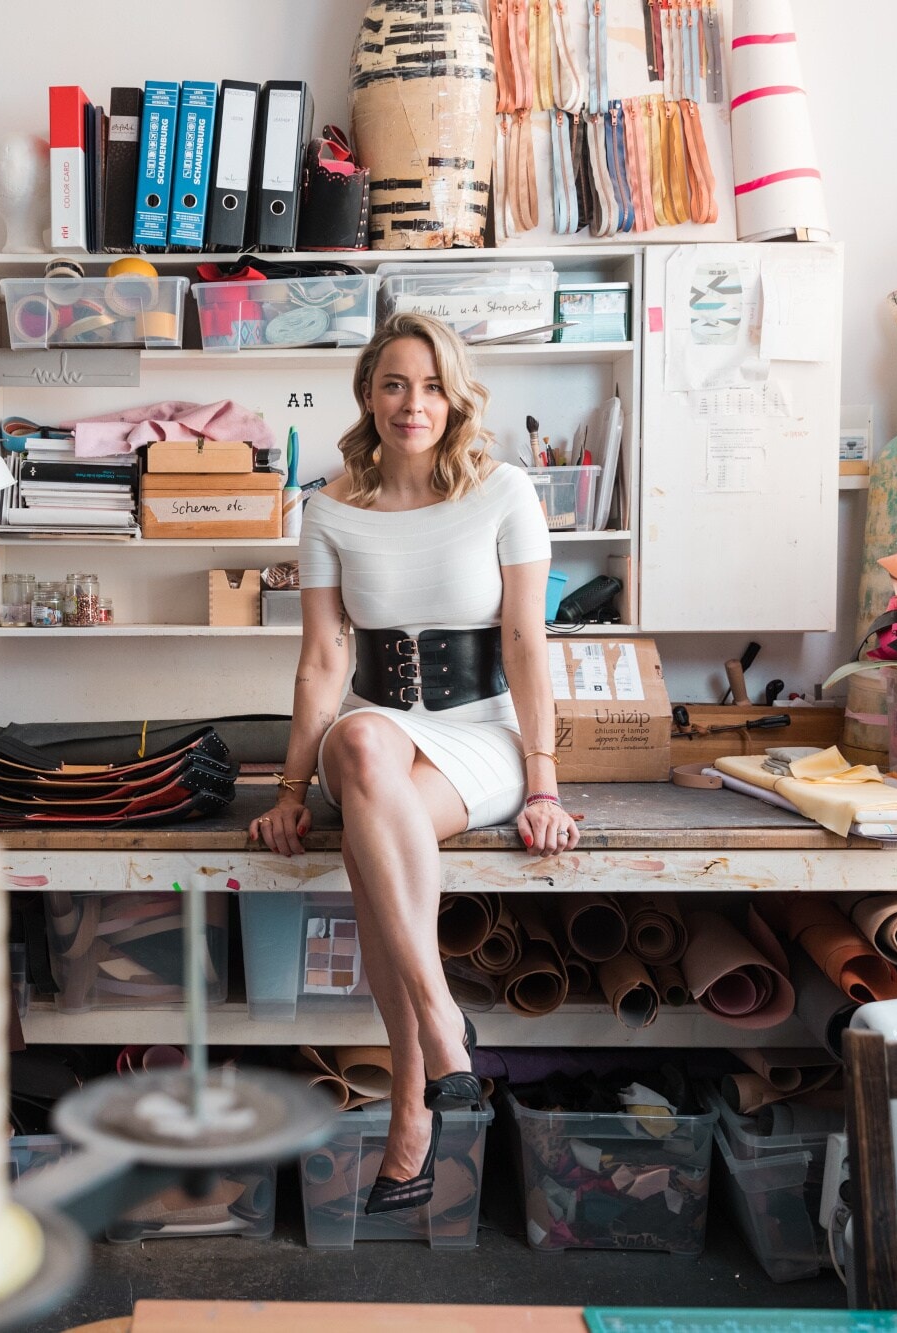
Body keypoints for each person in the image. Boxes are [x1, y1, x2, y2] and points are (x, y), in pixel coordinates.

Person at [252, 311, 580, 1214]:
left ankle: (411, 1106)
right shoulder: (328, 509)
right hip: (378, 732)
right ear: (368, 394)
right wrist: (289, 791)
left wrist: (544, 782)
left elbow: (525, 642)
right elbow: (324, 660)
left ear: (455, 397)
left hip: (481, 733)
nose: (413, 403)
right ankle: (442, 1018)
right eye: (395, 383)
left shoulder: (505, 491)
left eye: (433, 385)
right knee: (361, 744)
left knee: (374, 843)